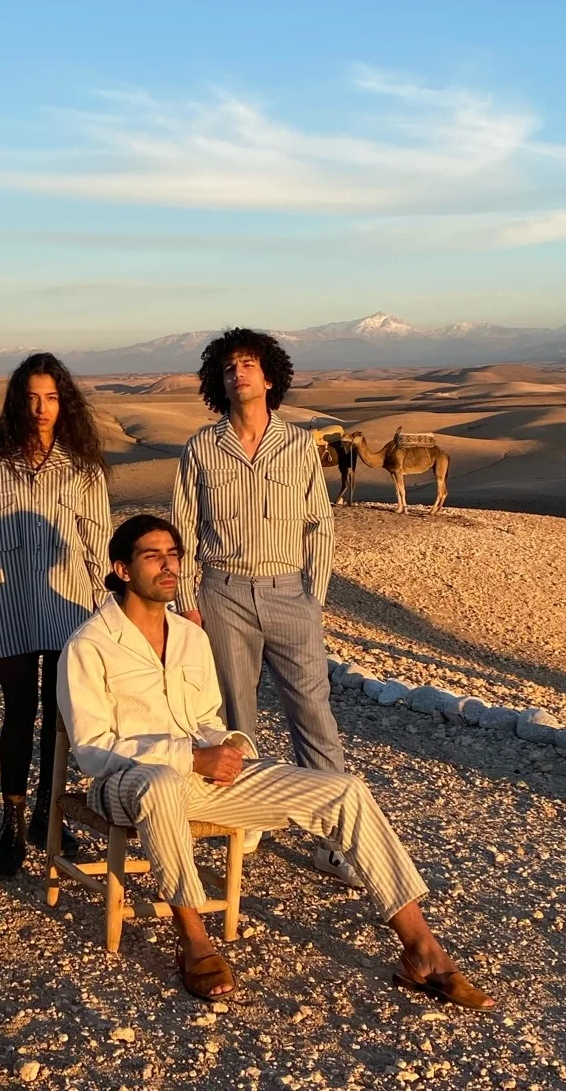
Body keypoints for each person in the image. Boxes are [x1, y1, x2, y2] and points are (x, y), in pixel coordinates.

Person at [58, 515, 494, 1008]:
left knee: (344, 790)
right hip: (126, 782)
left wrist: (230, 745)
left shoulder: (190, 637)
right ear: (121, 568)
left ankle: (421, 949)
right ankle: (193, 939)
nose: (169, 565)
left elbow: (205, 717)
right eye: (152, 556)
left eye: (174, 554)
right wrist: (190, 756)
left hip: (198, 774)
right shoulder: (89, 645)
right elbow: (92, 749)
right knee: (159, 780)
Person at [171, 327, 356, 881]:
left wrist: (313, 597)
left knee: (313, 714)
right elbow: (183, 525)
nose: (239, 373)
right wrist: (188, 602)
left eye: (249, 364)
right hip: (222, 593)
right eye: (229, 368)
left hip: (288, 592)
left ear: (270, 376)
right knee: (234, 714)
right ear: (217, 382)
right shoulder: (202, 448)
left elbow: (318, 524)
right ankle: (242, 817)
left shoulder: (299, 445)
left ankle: (332, 840)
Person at [0, 353, 112, 880]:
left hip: (69, 603)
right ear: (17, 402)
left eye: (50, 397)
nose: (41, 407)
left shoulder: (83, 468)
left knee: (60, 715)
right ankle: (11, 822)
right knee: (18, 709)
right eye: (31, 397)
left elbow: (97, 541)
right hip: (10, 603)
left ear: (63, 402)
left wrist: (105, 609)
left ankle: (50, 819)